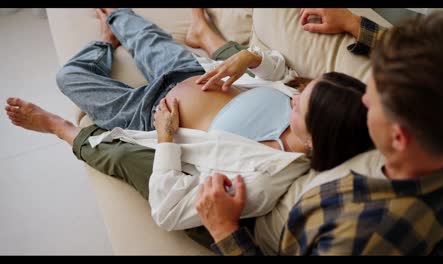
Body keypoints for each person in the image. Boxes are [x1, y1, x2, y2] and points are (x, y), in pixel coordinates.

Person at [5, 8, 373, 231]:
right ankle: (111, 34)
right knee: (127, 20)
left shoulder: (264, 179)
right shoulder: (305, 103)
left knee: (68, 77)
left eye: (299, 105)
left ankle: (62, 124)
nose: (295, 97)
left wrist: (165, 139)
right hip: (190, 70)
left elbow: (168, 210)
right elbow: (283, 70)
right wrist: (252, 60)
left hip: (148, 116)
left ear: (314, 140)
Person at [195, 10, 443, 255]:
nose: (363, 101)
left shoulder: (360, 238)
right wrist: (355, 23)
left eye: (371, 103)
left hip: (241, 222)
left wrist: (225, 231)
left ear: (399, 138)